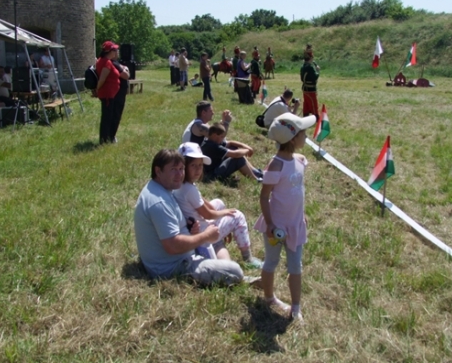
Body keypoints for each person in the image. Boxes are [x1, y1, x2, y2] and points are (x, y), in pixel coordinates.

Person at [134, 149, 245, 285]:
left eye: (181, 169)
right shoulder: (159, 202)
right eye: (173, 169)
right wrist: (205, 236)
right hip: (172, 267)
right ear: (158, 171)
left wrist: (190, 227)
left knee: (213, 235)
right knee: (235, 271)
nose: (180, 174)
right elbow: (173, 246)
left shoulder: (160, 189)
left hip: (174, 257)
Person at [254, 112, 317, 322]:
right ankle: (269, 297)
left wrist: (301, 214)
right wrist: (270, 224)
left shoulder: (300, 160)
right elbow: (264, 197)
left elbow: (298, 192)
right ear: (292, 138)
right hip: (277, 227)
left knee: (295, 266)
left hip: (295, 224)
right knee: (271, 262)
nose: (306, 137)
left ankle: (296, 308)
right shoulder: (276, 165)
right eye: (303, 134)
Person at [174, 142, 263, 268]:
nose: (198, 169)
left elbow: (204, 203)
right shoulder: (189, 190)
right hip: (203, 232)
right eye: (193, 165)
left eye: (200, 165)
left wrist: (220, 213)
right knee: (237, 216)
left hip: (193, 224)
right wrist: (225, 213)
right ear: (183, 166)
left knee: (218, 202)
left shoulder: (181, 185)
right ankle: (247, 257)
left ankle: (219, 241)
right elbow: (208, 214)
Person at [96, 41, 121, 144]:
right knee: (107, 118)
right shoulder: (106, 62)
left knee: (108, 116)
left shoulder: (103, 61)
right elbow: (102, 79)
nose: (116, 52)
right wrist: (97, 89)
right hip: (107, 94)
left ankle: (105, 138)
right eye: (114, 50)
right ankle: (104, 139)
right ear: (109, 51)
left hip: (109, 94)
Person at [111, 51, 131, 143]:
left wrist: (125, 68)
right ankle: (112, 136)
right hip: (118, 93)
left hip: (121, 92)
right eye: (117, 51)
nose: (118, 53)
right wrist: (125, 69)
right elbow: (126, 75)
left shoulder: (116, 63)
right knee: (116, 114)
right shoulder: (114, 63)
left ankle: (112, 135)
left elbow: (125, 68)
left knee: (117, 114)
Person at [300, 52, 320, 118]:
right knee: (313, 105)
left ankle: (305, 116)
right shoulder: (310, 67)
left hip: (305, 88)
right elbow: (315, 77)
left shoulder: (303, 67)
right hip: (310, 89)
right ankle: (316, 117)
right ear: (310, 58)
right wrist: (317, 71)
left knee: (306, 104)